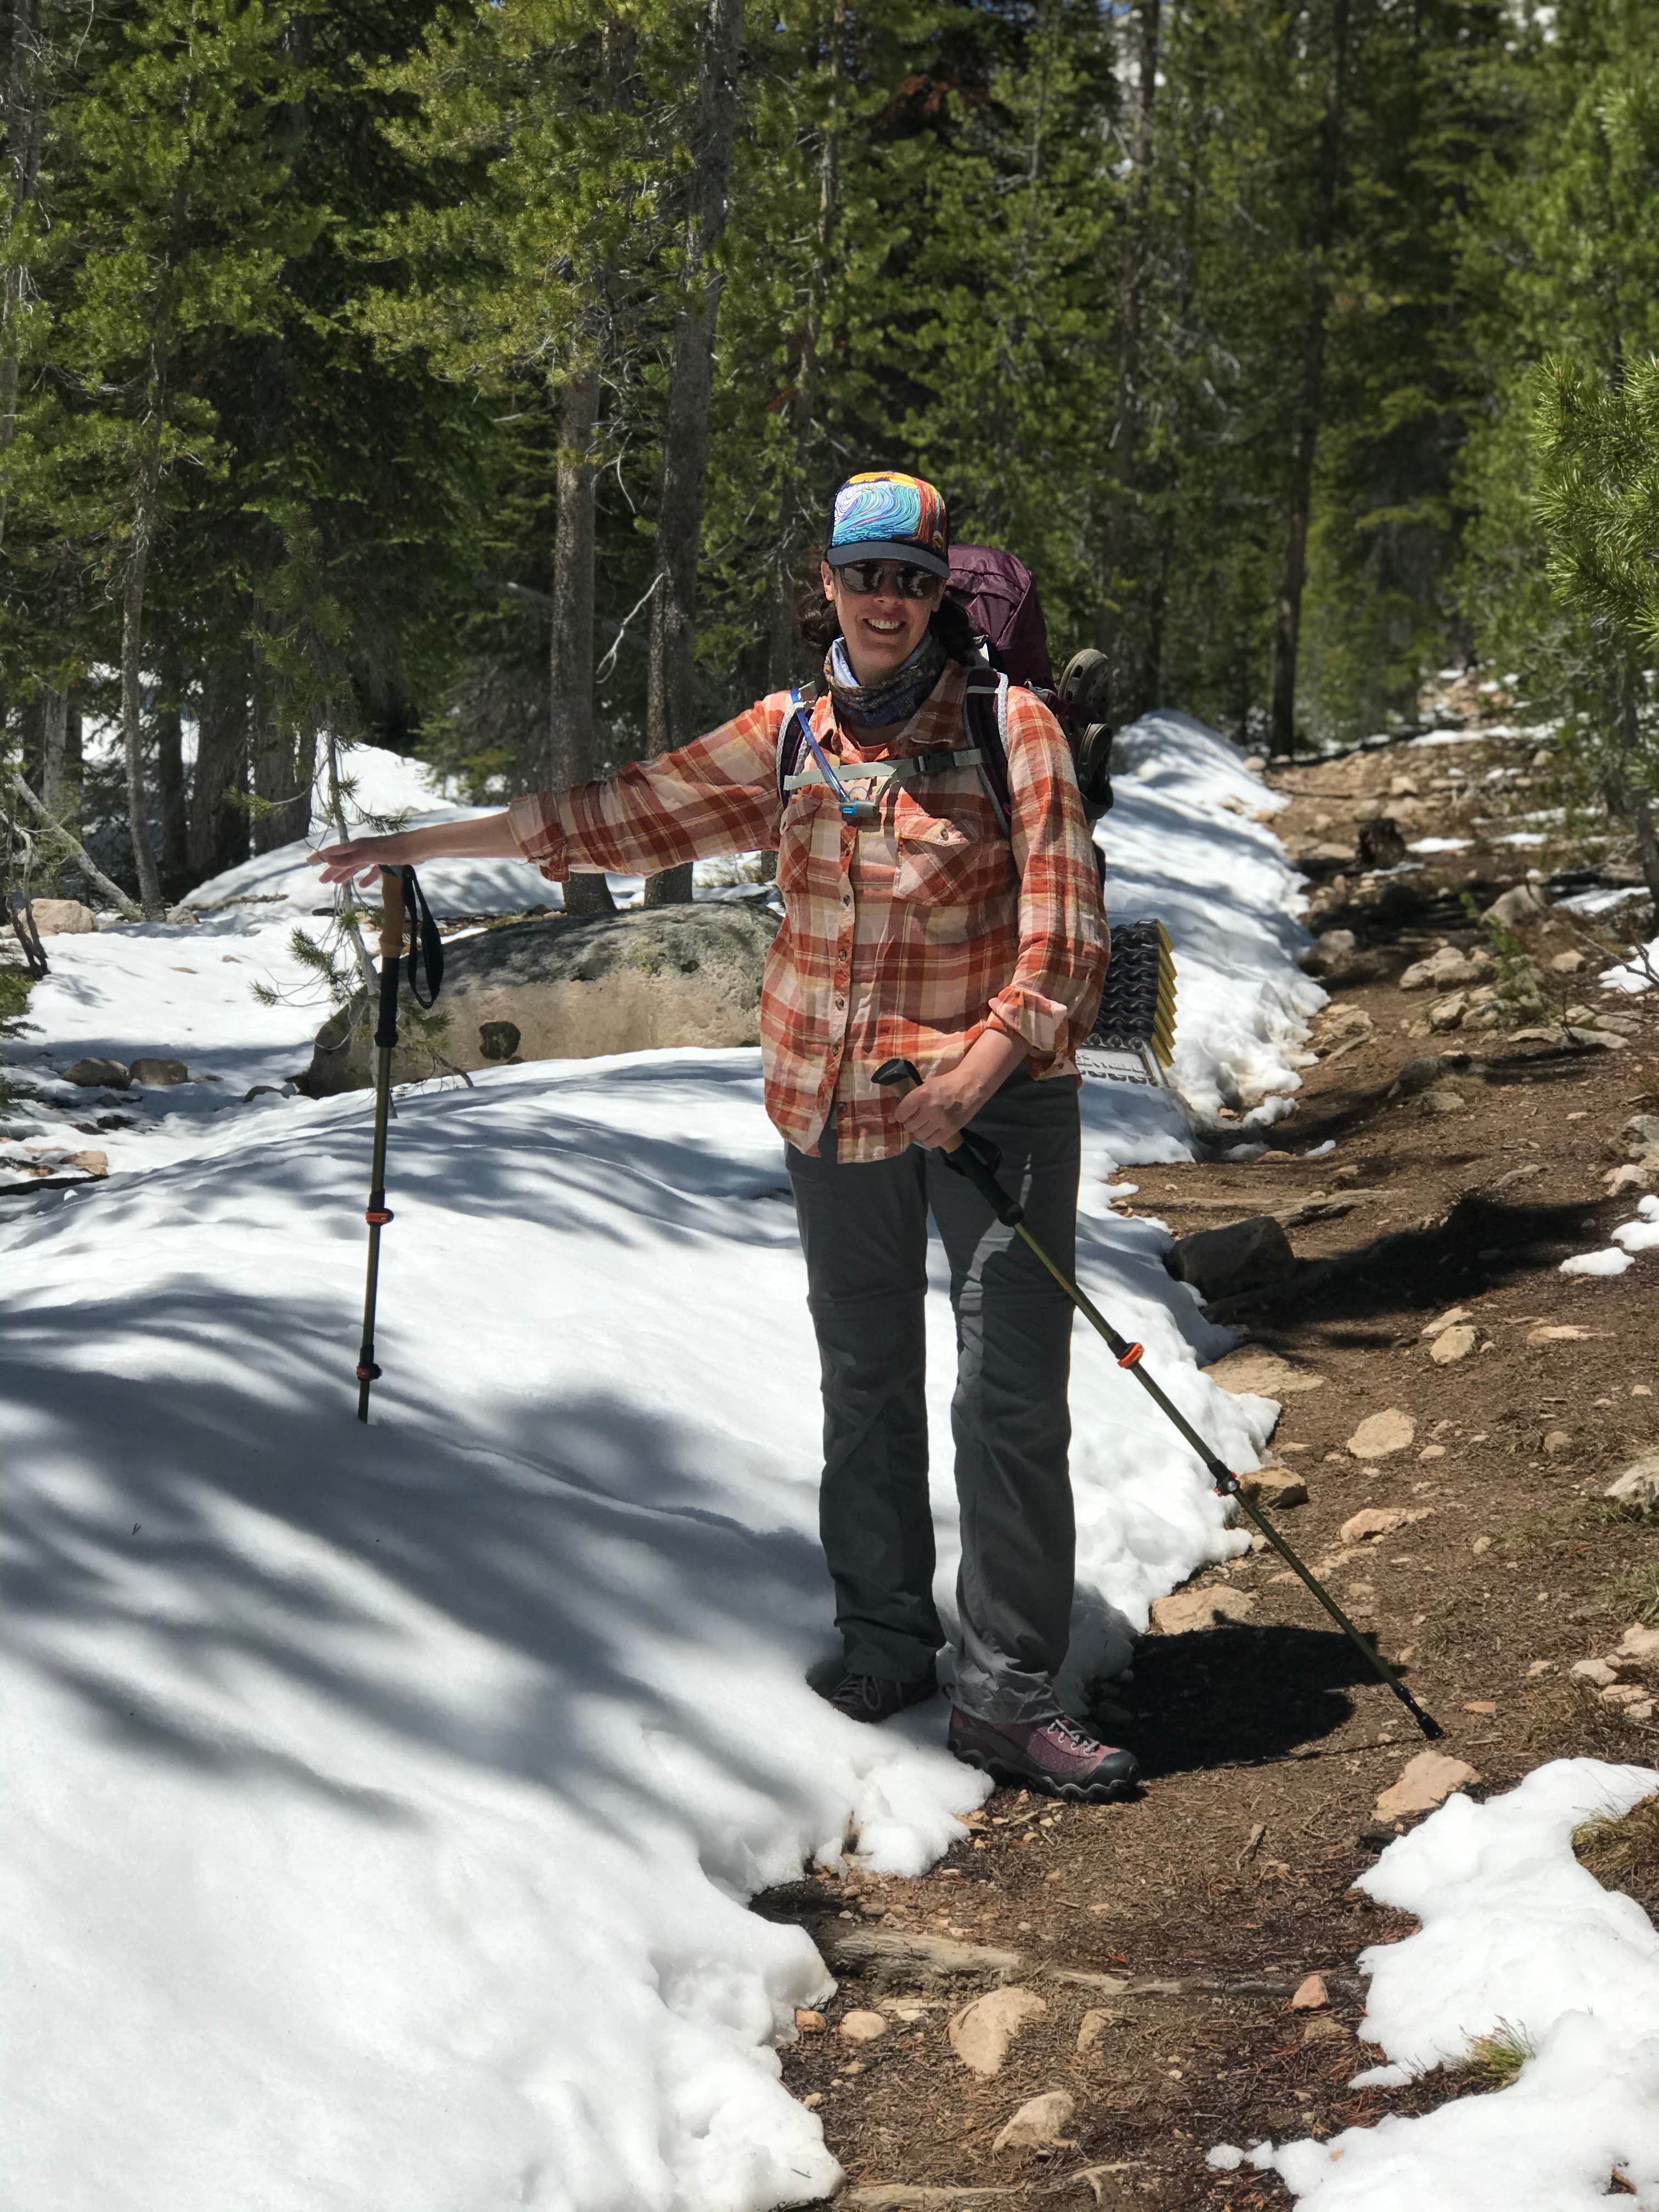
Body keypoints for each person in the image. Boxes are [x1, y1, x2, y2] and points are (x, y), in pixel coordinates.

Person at [313, 469, 1139, 1803]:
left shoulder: (1013, 724)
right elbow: (618, 813)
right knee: (864, 1380)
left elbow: (1067, 928)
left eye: (913, 581)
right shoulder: (790, 733)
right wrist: (414, 846)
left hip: (1003, 1099)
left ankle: (1010, 1694)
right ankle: (883, 1642)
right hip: (835, 1104)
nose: (887, 601)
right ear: (826, 582)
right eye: (865, 575)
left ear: (941, 596)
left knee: (1008, 1397)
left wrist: (982, 1064)